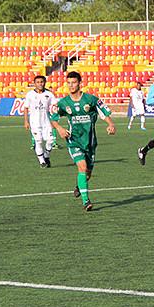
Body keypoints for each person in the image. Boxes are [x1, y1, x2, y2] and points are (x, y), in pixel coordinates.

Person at [49, 71, 116, 211]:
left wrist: (111, 124)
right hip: (74, 141)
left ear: (80, 83)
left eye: (73, 82)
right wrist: (59, 128)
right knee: (82, 167)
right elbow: (53, 118)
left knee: (87, 173)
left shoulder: (91, 100)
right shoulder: (63, 103)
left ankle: (79, 186)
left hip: (90, 142)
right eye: (68, 83)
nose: (71, 85)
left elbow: (104, 112)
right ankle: (86, 202)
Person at [23, 75, 56, 168]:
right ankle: (42, 162)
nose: (40, 84)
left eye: (42, 82)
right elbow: (26, 108)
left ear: (44, 82)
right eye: (38, 82)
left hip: (46, 122)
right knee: (39, 141)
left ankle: (46, 156)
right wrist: (26, 121)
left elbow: (54, 106)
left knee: (50, 141)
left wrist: (54, 119)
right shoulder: (30, 94)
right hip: (34, 122)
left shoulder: (49, 94)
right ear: (34, 83)